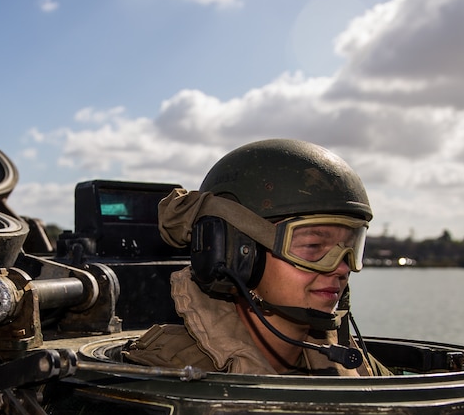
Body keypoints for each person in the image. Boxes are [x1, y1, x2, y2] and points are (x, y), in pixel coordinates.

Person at [124, 138, 388, 376]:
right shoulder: (172, 376)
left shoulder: (358, 366)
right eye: (313, 245)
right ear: (236, 254)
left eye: (350, 248)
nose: (341, 268)